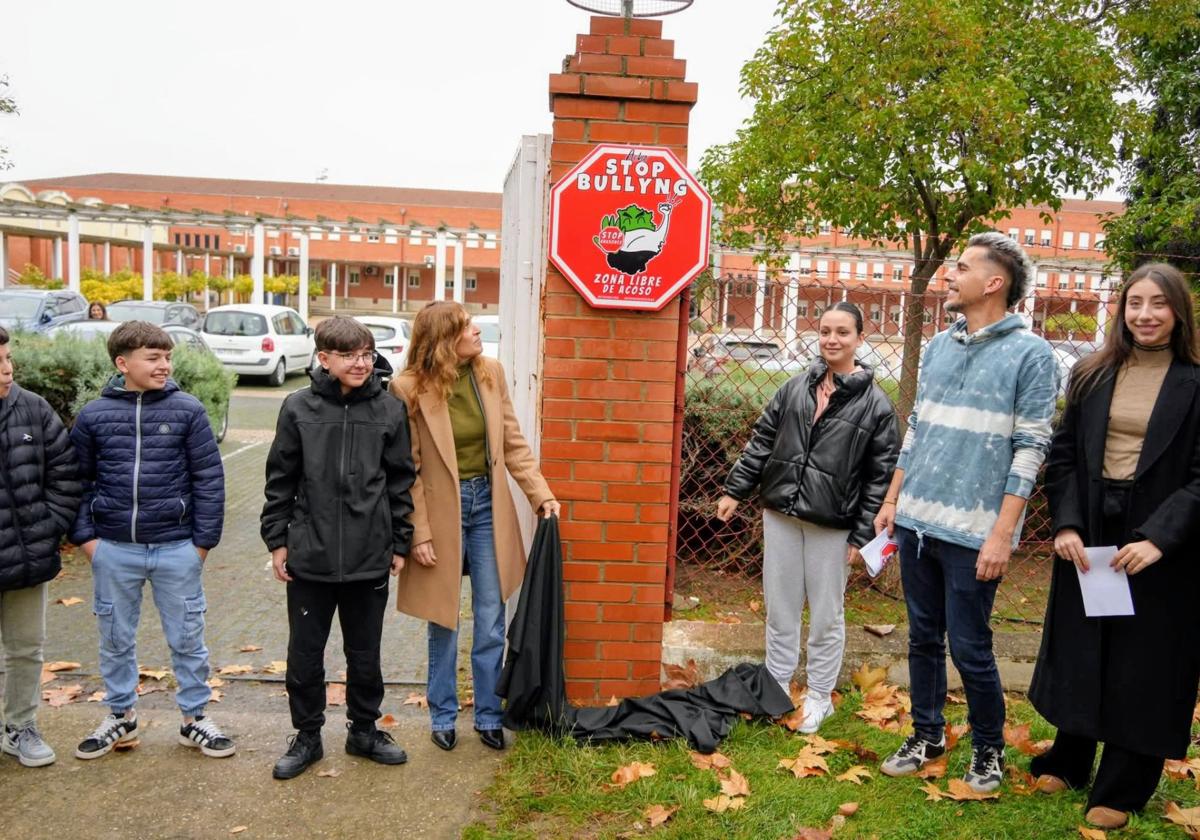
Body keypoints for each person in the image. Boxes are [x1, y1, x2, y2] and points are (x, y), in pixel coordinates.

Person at [874, 232, 1059, 793]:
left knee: (971, 647)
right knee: (922, 638)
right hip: (916, 522)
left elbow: (1031, 447)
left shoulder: (1032, 354)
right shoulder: (937, 346)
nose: (949, 275)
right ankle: (926, 734)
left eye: (961, 267)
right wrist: (893, 500)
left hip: (975, 533)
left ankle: (987, 748)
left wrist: (1002, 533)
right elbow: (917, 429)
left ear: (994, 282)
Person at [1027, 263, 1200, 829]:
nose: (1145, 315)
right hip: (1092, 528)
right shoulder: (1091, 373)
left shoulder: (1195, 381)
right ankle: (1070, 759)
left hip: (1161, 538)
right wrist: (1067, 524)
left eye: (1158, 304)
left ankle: (1122, 788)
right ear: (1121, 310)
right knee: (1086, 645)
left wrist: (1159, 538)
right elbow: (1064, 455)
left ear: (1178, 311)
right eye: (1134, 303)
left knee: (1144, 661)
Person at [715, 303, 899, 733]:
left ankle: (819, 695)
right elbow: (762, 440)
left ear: (860, 338)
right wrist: (735, 490)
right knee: (780, 607)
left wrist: (861, 536)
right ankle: (777, 685)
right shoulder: (794, 387)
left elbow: (879, 477)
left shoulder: (876, 406)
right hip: (781, 514)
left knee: (826, 615)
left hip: (832, 526)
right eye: (825, 331)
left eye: (843, 332)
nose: (832, 339)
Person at [390, 301, 559, 752]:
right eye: (466, 326)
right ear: (444, 340)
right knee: (443, 617)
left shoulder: (490, 373)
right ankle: (443, 715)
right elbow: (407, 470)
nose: (477, 330)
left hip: (487, 505)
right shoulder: (407, 388)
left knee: (490, 618)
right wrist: (419, 531)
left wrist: (540, 494)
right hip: (440, 511)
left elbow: (513, 444)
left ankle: (488, 714)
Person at [261, 316, 416, 780]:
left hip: (370, 554)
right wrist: (277, 541)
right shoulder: (297, 407)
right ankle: (308, 736)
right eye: (348, 355)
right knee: (305, 655)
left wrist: (400, 541)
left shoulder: (389, 410)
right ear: (324, 358)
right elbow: (280, 479)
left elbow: (401, 480)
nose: (361, 363)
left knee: (365, 653)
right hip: (311, 555)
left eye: (366, 354)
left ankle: (364, 731)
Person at [69, 321, 232, 760]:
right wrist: (87, 541)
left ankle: (194, 719)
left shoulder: (188, 411)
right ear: (123, 363)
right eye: (153, 357)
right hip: (113, 549)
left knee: (188, 638)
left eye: (167, 357)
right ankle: (121, 717)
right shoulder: (93, 416)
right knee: (115, 638)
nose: (164, 365)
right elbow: (75, 481)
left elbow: (209, 480)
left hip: (177, 548)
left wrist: (201, 545)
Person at [0, 326, 82, 767]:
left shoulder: (33, 409)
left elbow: (65, 475)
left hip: (26, 558)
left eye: (8, 358)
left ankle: (20, 726)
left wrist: (46, 530)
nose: (7, 370)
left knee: (26, 648)